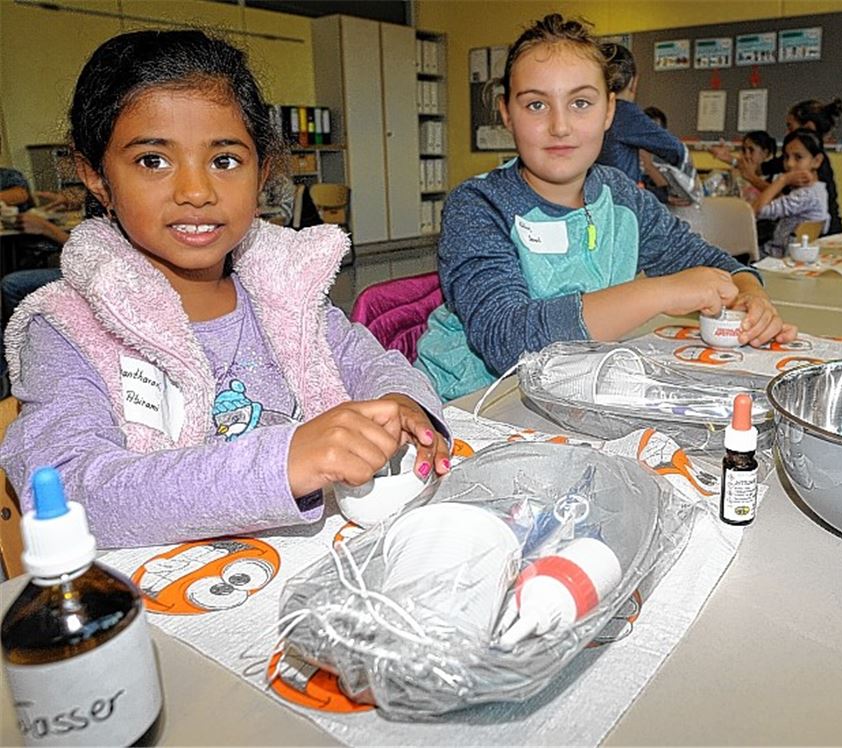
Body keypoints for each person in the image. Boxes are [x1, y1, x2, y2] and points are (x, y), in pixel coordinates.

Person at [0, 29, 450, 548]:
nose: (196, 191)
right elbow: (72, 494)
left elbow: (371, 360)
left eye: (225, 160)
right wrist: (284, 461)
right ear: (96, 175)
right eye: (153, 160)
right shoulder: (66, 331)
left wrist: (403, 401)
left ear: (262, 171)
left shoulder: (286, 294)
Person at [415, 14, 796, 402]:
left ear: (609, 111)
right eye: (535, 105)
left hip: (574, 395)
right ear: (507, 113)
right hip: (472, 404)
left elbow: (710, 262)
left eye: (580, 102)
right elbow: (507, 340)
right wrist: (658, 293)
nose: (560, 126)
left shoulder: (621, 196)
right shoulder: (478, 205)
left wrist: (751, 294)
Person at [712, 98, 842, 234]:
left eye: (790, 126)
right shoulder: (802, 159)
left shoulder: (812, 172)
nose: (790, 163)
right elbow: (759, 168)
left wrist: (758, 179)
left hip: (820, 238)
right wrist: (730, 159)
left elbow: (770, 202)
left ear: (808, 128)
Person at [596, 43, 689, 185]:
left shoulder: (589, 111)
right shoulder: (624, 112)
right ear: (634, 82)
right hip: (618, 201)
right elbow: (677, 151)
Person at [752, 129, 830, 258]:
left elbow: (756, 211)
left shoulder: (805, 195)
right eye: (786, 157)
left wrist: (782, 180)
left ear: (817, 161)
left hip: (775, 258)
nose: (789, 164)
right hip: (782, 254)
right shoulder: (819, 189)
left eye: (798, 157)